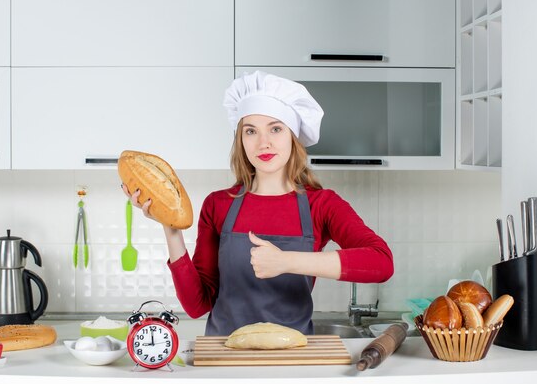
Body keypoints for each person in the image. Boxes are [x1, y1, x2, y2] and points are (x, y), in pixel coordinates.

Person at [123, 70, 393, 336]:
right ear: (241, 140)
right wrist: (170, 228)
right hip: (224, 357)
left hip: (291, 359)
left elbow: (381, 263)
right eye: (251, 131)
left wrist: (286, 261)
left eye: (275, 129)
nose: (264, 143)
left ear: (293, 137)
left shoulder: (321, 205)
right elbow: (197, 305)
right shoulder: (218, 205)